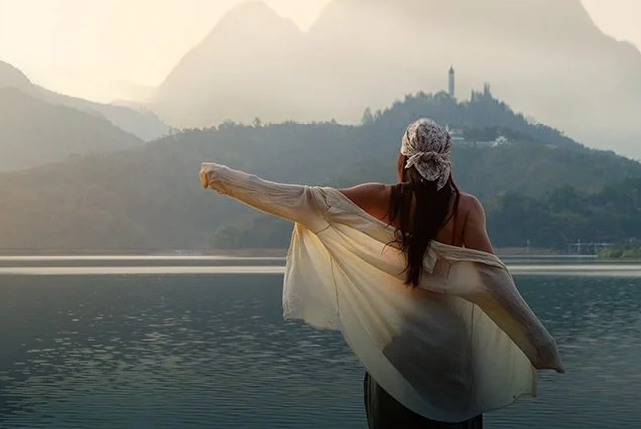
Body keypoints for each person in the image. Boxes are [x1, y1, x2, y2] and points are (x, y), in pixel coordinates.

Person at [200, 117, 564, 427]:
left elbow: (306, 200)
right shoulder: (466, 208)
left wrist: (228, 180)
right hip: (454, 360)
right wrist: (539, 345)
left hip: (400, 353)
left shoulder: (384, 198)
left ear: (403, 159)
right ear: (447, 162)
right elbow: (493, 281)